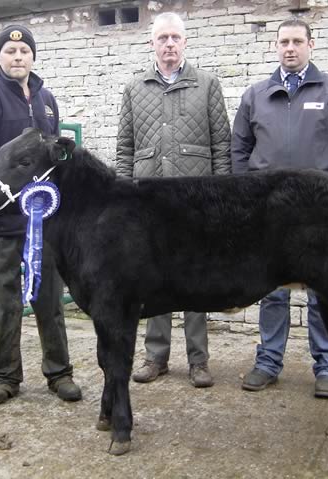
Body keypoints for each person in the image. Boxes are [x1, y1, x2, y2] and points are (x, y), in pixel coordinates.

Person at [0, 25, 82, 405]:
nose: (17, 57)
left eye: (23, 52)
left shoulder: (47, 100)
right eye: (9, 51)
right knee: (3, 301)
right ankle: (6, 377)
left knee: (50, 299)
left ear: (33, 57)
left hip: (43, 222)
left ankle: (59, 373)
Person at [231, 18, 328, 398]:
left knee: (323, 290)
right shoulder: (256, 95)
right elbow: (239, 148)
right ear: (275, 46)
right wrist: (245, 193)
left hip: (319, 210)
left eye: (297, 41)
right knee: (272, 290)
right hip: (269, 212)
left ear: (311, 44)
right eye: (284, 42)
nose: (290, 48)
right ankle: (268, 361)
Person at [116, 12, 231, 388]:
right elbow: (125, 149)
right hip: (150, 203)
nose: (169, 44)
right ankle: (155, 357)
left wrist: (221, 199)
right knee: (153, 281)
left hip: (195, 201)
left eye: (175, 38)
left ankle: (198, 361)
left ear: (185, 42)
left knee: (196, 279)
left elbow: (222, 146)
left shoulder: (207, 84)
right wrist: (123, 199)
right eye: (162, 37)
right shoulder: (135, 88)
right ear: (152, 43)